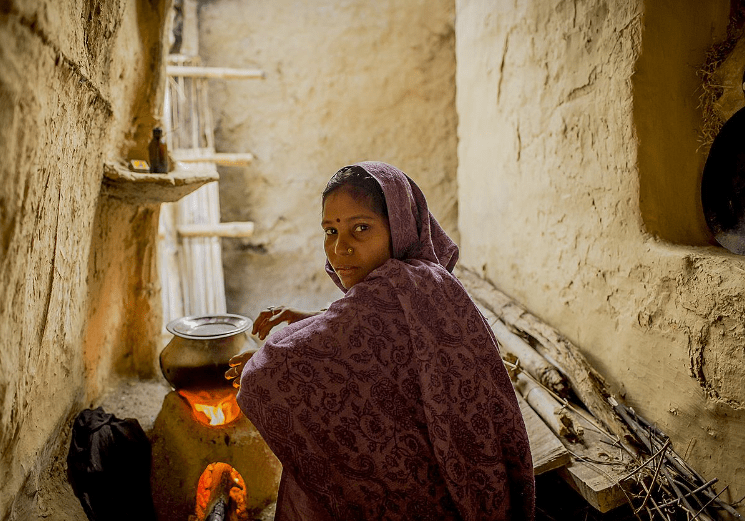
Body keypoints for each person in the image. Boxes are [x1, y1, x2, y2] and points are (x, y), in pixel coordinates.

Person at [225, 161, 535, 520]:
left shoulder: (390, 288)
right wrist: (310, 318)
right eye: (330, 230)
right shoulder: (428, 278)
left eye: (361, 228)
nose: (341, 247)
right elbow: (367, 331)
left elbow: (270, 375)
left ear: (399, 227)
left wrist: (263, 359)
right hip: (487, 486)